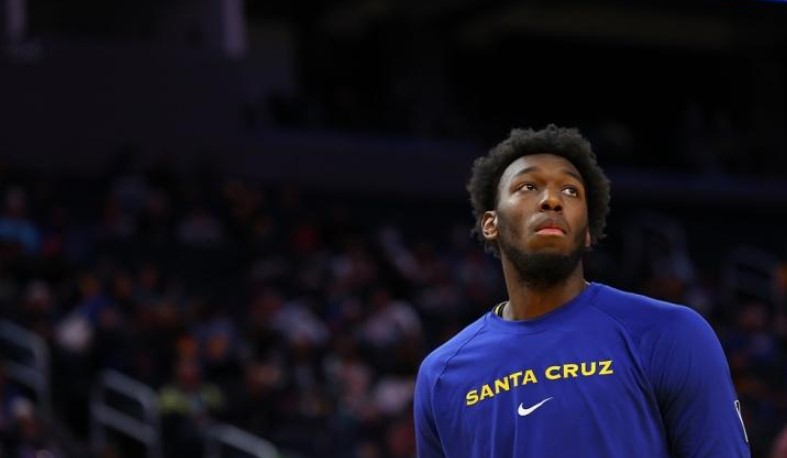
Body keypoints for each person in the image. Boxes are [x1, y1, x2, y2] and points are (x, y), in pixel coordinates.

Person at [413, 125, 750, 457]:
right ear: (491, 224)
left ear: (587, 231)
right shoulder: (441, 375)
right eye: (528, 186)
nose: (552, 200)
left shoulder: (670, 333)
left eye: (570, 191)